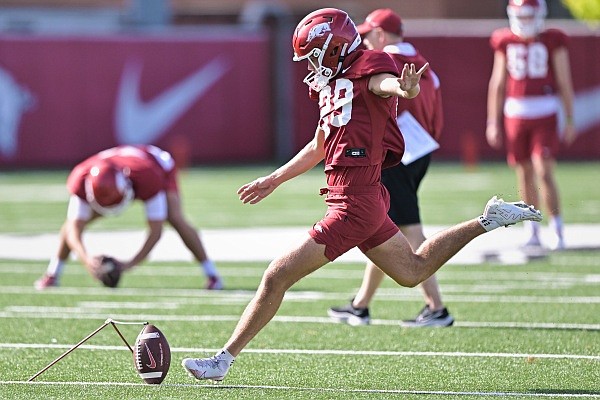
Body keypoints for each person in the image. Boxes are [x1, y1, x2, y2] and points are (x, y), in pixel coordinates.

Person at [181, 7, 542, 382]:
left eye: (313, 56)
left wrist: (406, 87)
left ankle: (222, 359)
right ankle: (488, 220)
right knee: (412, 271)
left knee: (276, 277)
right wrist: (275, 178)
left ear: (333, 48)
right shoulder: (333, 83)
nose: (310, 65)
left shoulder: (369, 67)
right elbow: (320, 144)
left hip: (353, 203)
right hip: (362, 197)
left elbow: (389, 85)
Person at [327, 8, 453, 328]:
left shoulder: (386, 60)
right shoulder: (425, 64)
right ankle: (361, 304)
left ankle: (437, 307)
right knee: (385, 228)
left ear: (380, 35)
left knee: (407, 230)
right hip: (420, 150)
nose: (364, 42)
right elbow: (434, 112)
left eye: (367, 35)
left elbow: (395, 88)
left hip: (398, 153)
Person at [34, 144, 223, 290]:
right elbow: (73, 229)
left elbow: (156, 231)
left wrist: (130, 264)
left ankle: (212, 274)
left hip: (158, 164)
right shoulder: (80, 179)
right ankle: (53, 274)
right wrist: (87, 260)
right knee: (71, 224)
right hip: (121, 168)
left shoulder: (147, 176)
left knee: (173, 217)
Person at [486, 0, 575, 251]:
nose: (524, 21)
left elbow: (564, 80)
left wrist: (569, 118)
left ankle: (557, 226)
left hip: (544, 111)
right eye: (520, 16)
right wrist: (492, 121)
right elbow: (498, 83)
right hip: (514, 112)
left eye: (529, 16)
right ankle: (532, 228)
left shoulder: (552, 39)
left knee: (544, 171)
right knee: (523, 173)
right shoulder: (504, 40)